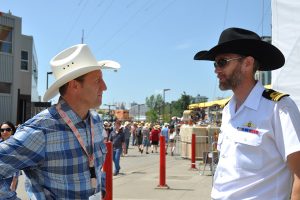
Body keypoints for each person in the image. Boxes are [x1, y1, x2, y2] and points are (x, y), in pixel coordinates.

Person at [0, 44, 120, 199]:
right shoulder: (41, 130)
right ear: (74, 85)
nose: (104, 87)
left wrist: (100, 189)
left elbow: (96, 168)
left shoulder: (96, 121)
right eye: (97, 80)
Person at [194, 27, 300, 199]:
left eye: (222, 62)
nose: (216, 69)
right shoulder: (228, 109)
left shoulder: (279, 108)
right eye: (215, 63)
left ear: (247, 64)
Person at [0, 121, 21, 200]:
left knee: (9, 197)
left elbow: (18, 163)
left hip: (10, 177)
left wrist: (14, 181)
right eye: (2, 130)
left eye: (8, 129)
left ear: (12, 130)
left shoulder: (15, 145)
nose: (5, 132)